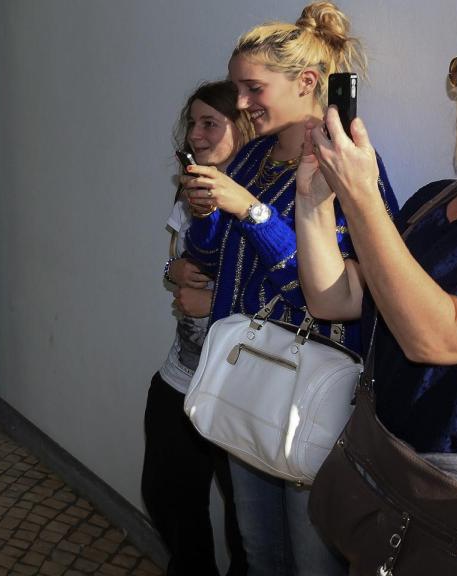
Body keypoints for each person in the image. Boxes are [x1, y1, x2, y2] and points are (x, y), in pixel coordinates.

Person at [295, 7, 457, 574]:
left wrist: (362, 199)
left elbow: (435, 338)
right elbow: (335, 301)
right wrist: (315, 201)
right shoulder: (438, 197)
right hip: (387, 468)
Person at [182, 3, 398, 574]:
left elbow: (333, 297)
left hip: (312, 397)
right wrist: (205, 211)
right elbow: (206, 258)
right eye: (236, 88)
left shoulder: (349, 165)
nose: (243, 103)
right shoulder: (251, 155)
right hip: (244, 375)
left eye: (253, 88)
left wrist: (252, 212)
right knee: (259, 553)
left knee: (313, 562)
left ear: (307, 82)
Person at [141, 80, 252, 576]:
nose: (197, 134)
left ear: (244, 126)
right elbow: (174, 266)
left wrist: (213, 297)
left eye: (211, 123)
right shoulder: (191, 191)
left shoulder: (260, 199)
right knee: (165, 495)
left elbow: (293, 286)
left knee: (247, 526)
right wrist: (174, 274)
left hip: (240, 391)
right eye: (193, 123)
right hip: (180, 377)